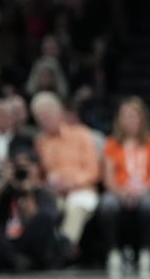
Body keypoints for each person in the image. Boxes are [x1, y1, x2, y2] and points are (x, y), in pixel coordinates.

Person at [31, 90, 101, 265]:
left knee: (75, 208)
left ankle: (63, 249)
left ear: (60, 113)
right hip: (53, 192)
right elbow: (38, 175)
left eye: (48, 114)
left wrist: (71, 183)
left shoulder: (82, 135)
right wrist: (48, 186)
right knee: (47, 210)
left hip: (82, 189)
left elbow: (93, 171)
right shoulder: (40, 142)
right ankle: (47, 251)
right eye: (40, 117)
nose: (44, 120)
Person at [100, 97, 150, 274]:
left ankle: (147, 251)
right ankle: (113, 251)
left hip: (147, 190)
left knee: (149, 205)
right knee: (108, 204)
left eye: (134, 116)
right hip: (119, 191)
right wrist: (122, 193)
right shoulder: (111, 144)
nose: (130, 120)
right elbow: (109, 179)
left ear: (142, 118)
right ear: (119, 120)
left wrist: (140, 192)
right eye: (125, 116)